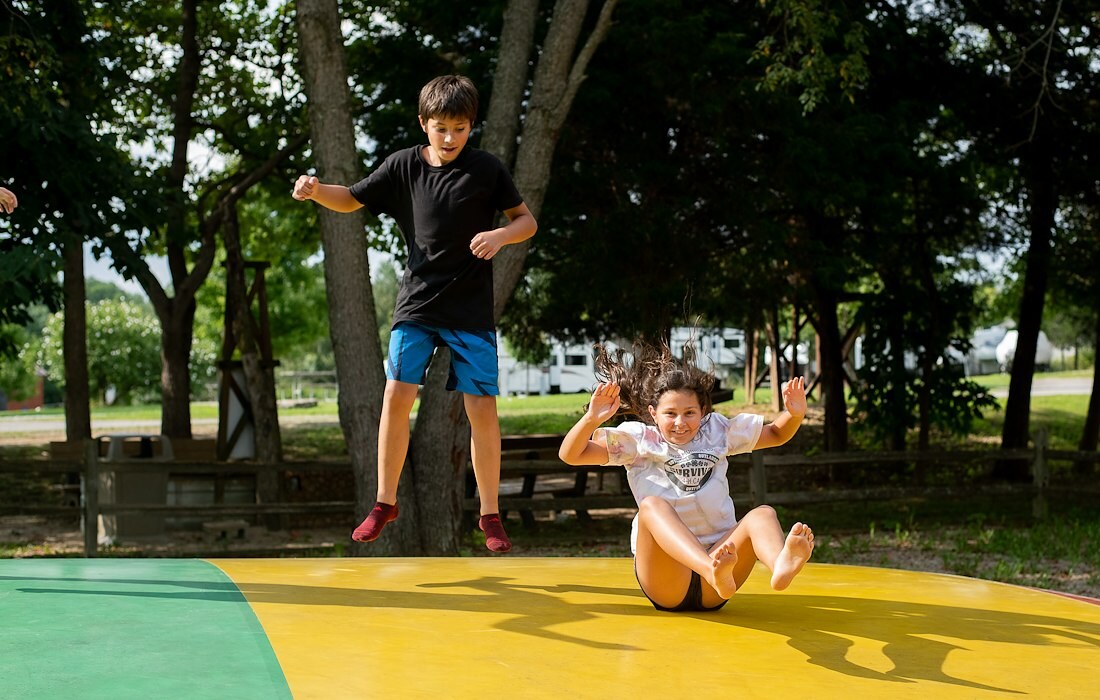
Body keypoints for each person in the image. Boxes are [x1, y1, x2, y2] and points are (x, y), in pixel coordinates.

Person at [291, 75, 537, 552]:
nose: (450, 139)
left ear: (472, 127)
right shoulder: (403, 166)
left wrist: (500, 237)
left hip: (470, 311)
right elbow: (351, 198)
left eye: (460, 129)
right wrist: (317, 190)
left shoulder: (486, 169)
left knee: (481, 409)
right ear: (424, 124)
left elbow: (525, 220)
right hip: (418, 305)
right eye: (441, 128)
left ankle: (489, 514)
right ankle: (385, 502)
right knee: (396, 395)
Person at [558, 339, 815, 611]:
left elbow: (775, 433)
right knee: (651, 506)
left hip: (720, 568)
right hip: (668, 580)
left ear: (703, 412)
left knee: (763, 514)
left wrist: (794, 414)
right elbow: (571, 455)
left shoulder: (717, 432)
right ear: (653, 414)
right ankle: (709, 569)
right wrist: (590, 420)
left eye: (689, 413)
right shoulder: (638, 440)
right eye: (670, 414)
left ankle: (780, 564)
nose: (681, 423)